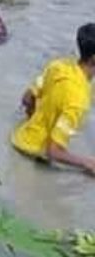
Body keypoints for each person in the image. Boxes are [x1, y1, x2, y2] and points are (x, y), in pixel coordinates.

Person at [12, 24, 95, 175]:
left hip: (19, 137)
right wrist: (88, 163)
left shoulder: (58, 65)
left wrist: (36, 122)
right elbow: (53, 152)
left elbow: (27, 99)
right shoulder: (79, 100)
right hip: (34, 155)